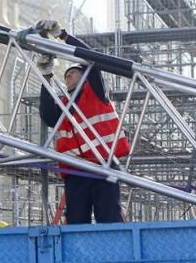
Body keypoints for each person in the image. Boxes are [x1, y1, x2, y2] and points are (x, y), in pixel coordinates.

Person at [34, 20, 129, 224]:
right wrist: (46, 76)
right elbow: (47, 115)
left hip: (103, 165)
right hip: (76, 170)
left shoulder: (94, 93)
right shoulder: (65, 106)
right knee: (76, 221)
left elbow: (90, 57)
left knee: (109, 217)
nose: (69, 75)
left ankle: (115, 253)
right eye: (66, 74)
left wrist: (63, 36)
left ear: (85, 76)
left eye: (74, 72)